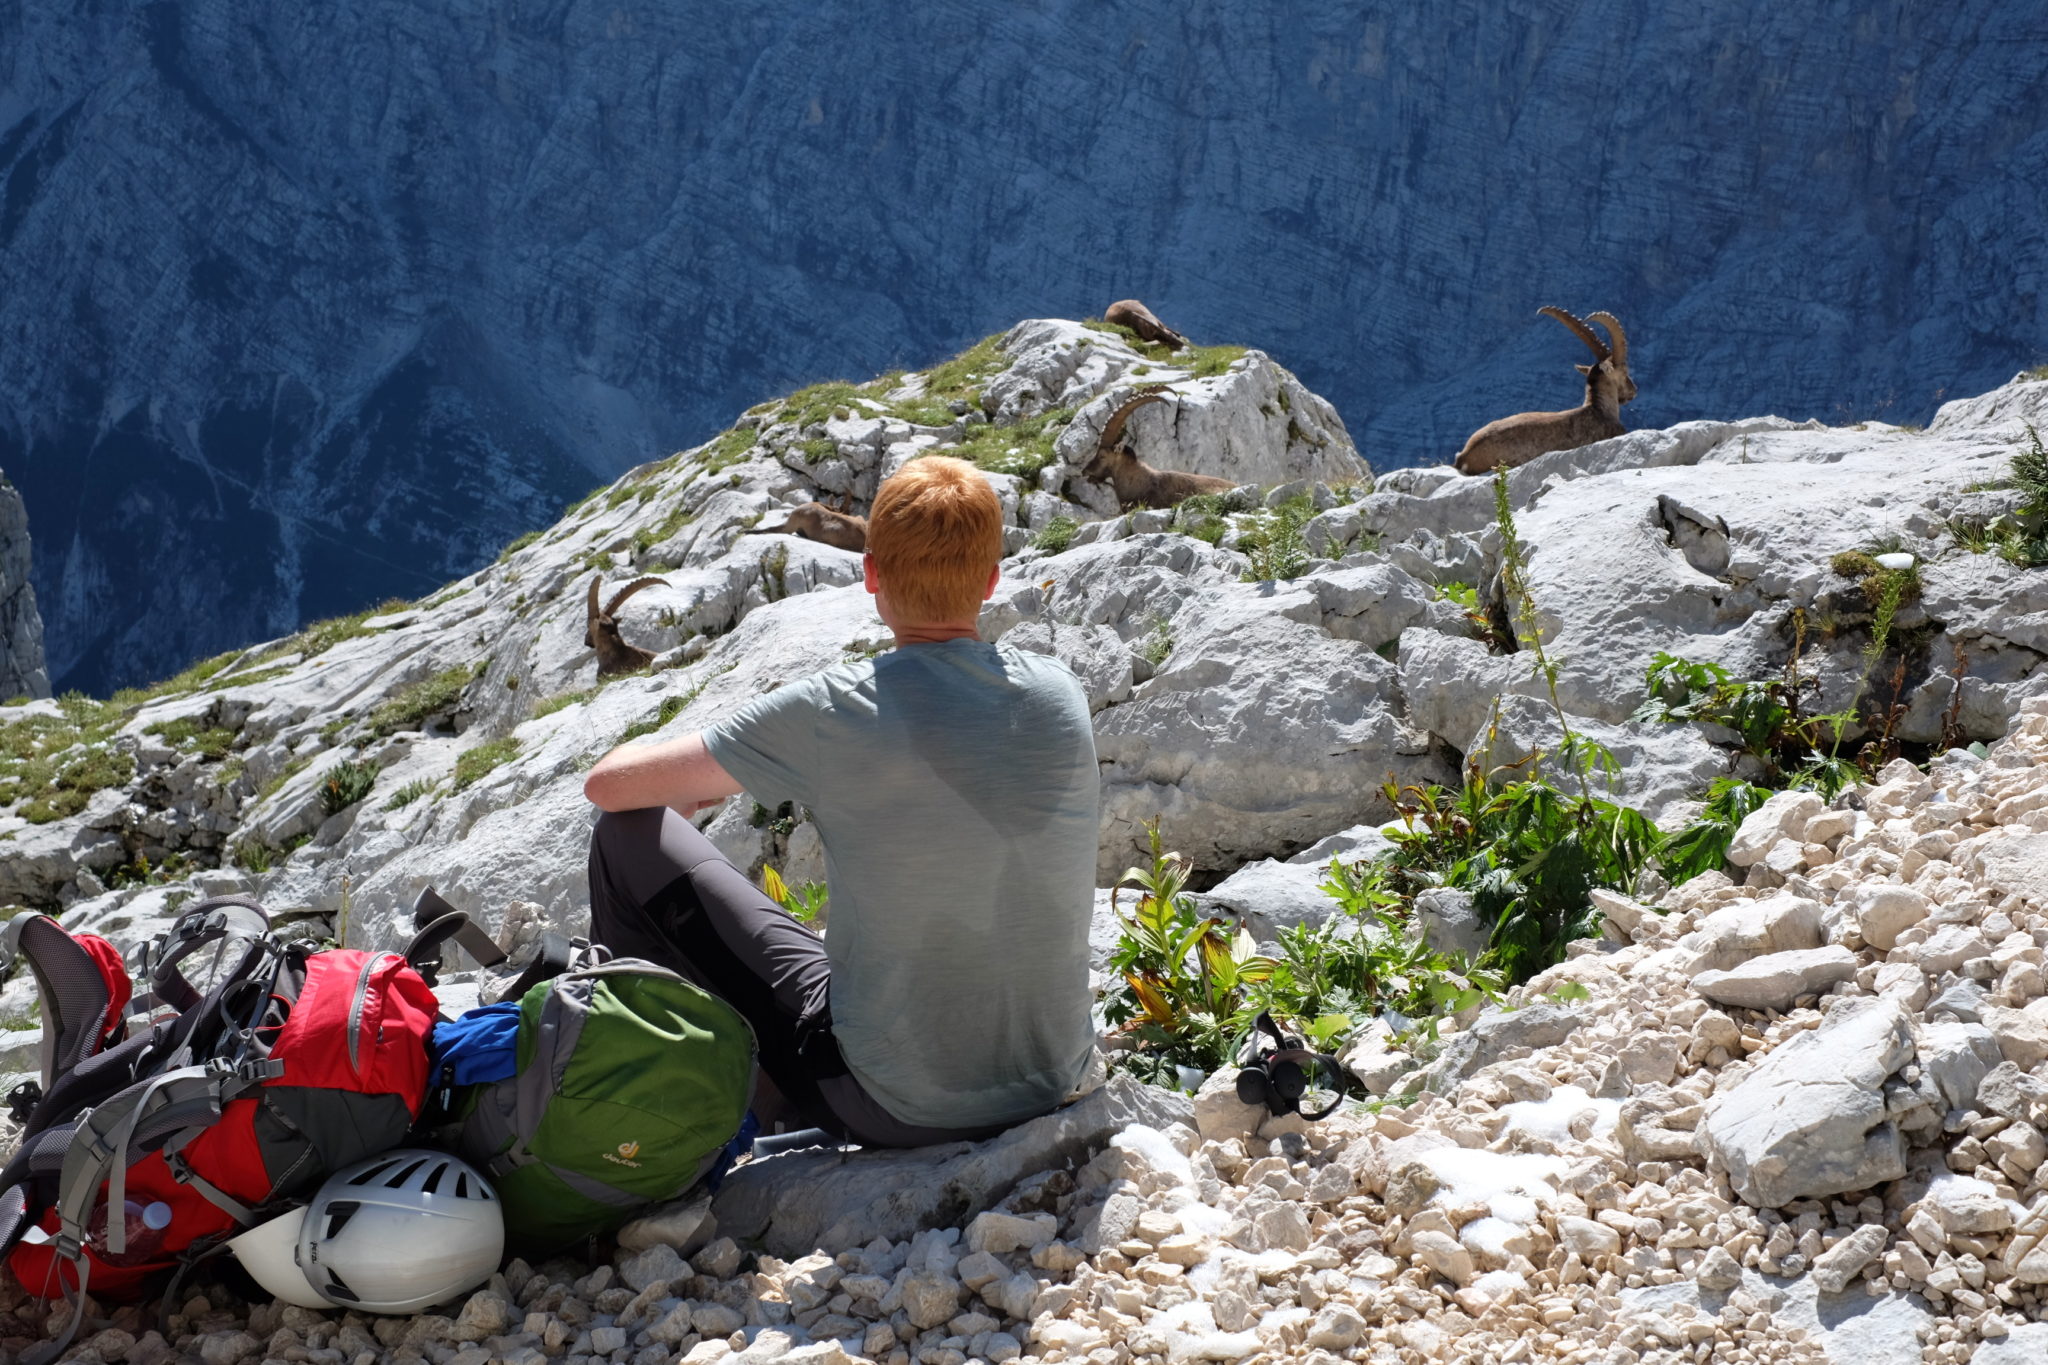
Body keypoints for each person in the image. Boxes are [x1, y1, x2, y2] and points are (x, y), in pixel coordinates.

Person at [582, 457, 1098, 1146]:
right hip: (1048, 1079)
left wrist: (701, 785)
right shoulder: (1060, 691)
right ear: (992, 578)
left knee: (625, 839)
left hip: (894, 1102)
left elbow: (608, 786)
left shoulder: (834, 709)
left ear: (872, 574)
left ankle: (641, 1112)